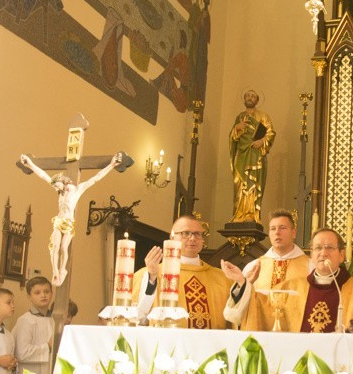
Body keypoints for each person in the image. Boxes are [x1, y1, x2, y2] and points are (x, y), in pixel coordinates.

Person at [236, 229, 353, 333]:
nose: (323, 253)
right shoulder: (290, 289)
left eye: (330, 248)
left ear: (341, 255)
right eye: (317, 248)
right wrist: (245, 287)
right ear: (312, 255)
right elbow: (259, 308)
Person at [20, 152, 123, 286]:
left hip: (68, 223)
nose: (56, 189)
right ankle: (55, 271)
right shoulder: (60, 191)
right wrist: (30, 164)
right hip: (58, 221)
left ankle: (63, 269)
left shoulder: (77, 190)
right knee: (54, 246)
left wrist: (111, 165)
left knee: (63, 247)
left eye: (57, 186)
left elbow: (96, 178)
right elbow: (43, 175)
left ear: (63, 182)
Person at [132, 215, 232, 329]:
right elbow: (138, 320)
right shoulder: (148, 275)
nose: (193, 238)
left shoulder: (222, 278)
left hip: (212, 345)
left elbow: (234, 322)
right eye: (185, 233)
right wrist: (151, 279)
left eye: (198, 234)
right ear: (172, 237)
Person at [222, 209, 311, 330]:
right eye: (273, 229)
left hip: (296, 334)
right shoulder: (253, 266)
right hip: (259, 333)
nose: (277, 233)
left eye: (283, 228)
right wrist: (243, 285)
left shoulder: (310, 266)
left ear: (293, 233)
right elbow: (236, 313)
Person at [229, 90, 275, 224]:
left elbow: (271, 133)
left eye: (253, 96)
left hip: (256, 155)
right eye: (248, 96)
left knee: (253, 184)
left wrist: (262, 142)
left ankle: (251, 214)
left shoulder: (263, 116)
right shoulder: (239, 117)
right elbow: (233, 138)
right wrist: (236, 128)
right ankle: (239, 214)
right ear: (244, 99)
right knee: (240, 183)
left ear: (257, 100)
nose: (250, 98)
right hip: (242, 155)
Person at [12, 276, 54, 374]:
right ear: (29, 296)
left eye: (47, 291)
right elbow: (22, 353)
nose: (43, 295)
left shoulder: (54, 320)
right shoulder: (26, 320)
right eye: (37, 292)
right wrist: (48, 347)